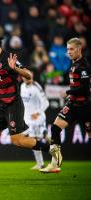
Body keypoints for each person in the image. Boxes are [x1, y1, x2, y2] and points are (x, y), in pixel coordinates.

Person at [0, 32, 61, 181]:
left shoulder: (8, 58)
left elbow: (28, 75)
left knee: (17, 140)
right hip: (0, 105)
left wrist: (16, 69)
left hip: (13, 104)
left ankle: (52, 149)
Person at [41, 37, 91, 173]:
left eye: (71, 49)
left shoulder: (83, 66)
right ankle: (54, 163)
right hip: (73, 104)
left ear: (79, 49)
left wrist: (68, 91)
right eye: (67, 49)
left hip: (85, 106)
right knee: (55, 127)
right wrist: (71, 94)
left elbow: (85, 89)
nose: (68, 52)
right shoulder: (73, 64)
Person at [20, 74, 51, 171]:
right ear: (22, 77)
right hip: (27, 119)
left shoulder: (36, 87)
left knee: (34, 139)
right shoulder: (22, 86)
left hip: (36, 118)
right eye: (25, 75)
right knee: (34, 140)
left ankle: (51, 158)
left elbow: (46, 103)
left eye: (29, 75)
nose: (27, 77)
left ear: (32, 76)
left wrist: (37, 113)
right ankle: (41, 163)